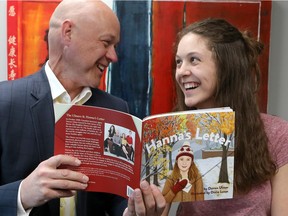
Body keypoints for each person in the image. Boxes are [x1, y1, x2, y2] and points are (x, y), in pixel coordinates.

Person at [0, 0, 165, 215]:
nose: (113, 56)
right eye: (106, 43)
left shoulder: (116, 109)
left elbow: (118, 199)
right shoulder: (4, 101)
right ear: (68, 33)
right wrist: (21, 194)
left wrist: (131, 211)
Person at [168, 18, 288, 215]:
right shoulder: (174, 134)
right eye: (179, 62)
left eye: (194, 60)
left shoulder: (278, 135)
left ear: (227, 66)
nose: (182, 71)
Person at [162, 141, 204, 214]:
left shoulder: (197, 177)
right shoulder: (171, 177)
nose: (184, 163)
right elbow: (164, 201)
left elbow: (200, 199)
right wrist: (174, 190)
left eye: (188, 159)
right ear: (177, 161)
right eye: (181, 159)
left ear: (191, 162)